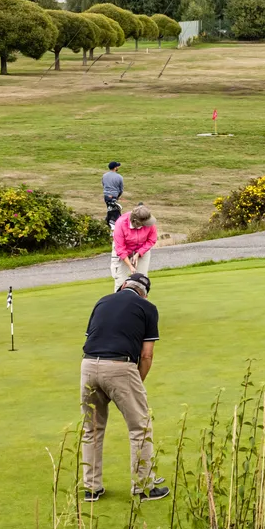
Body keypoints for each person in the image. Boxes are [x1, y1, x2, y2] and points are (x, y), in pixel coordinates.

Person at [80, 273, 168, 502]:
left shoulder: (102, 300)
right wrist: (137, 381)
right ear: (144, 293)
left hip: (88, 366)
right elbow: (146, 355)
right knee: (140, 427)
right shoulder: (148, 308)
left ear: (122, 286)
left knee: (92, 428)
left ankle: (91, 488)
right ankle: (143, 487)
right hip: (120, 365)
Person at [110, 204, 158, 292]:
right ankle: (119, 304)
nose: (147, 225)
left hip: (142, 248)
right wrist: (130, 266)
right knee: (121, 281)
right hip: (123, 251)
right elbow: (120, 249)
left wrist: (139, 253)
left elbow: (152, 240)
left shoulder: (149, 222)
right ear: (136, 222)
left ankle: (140, 304)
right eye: (144, 224)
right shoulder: (121, 223)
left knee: (142, 281)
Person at [102, 161, 124, 229]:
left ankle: (106, 224)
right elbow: (121, 189)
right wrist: (118, 196)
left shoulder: (104, 175)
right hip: (114, 196)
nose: (118, 167)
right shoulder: (119, 177)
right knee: (116, 212)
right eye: (117, 166)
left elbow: (103, 184)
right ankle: (112, 226)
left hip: (106, 196)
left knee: (110, 210)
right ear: (115, 168)